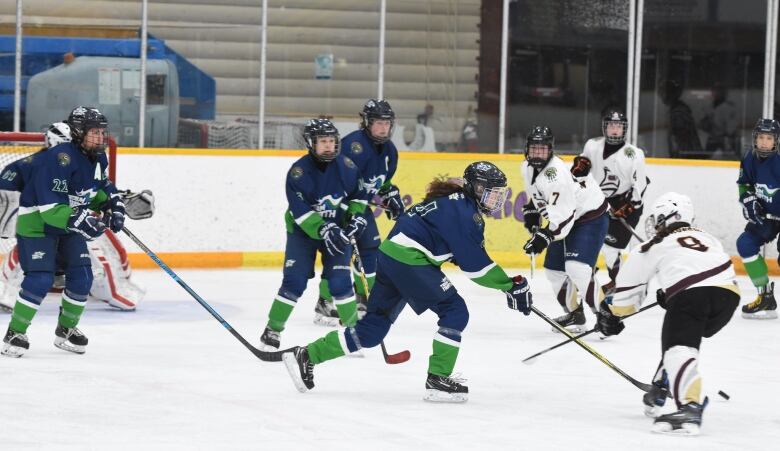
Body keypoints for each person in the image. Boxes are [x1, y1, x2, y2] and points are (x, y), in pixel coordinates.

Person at [281, 162, 532, 403]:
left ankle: (307, 355)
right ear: (472, 187)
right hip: (409, 259)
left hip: (392, 255)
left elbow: (439, 240)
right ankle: (438, 378)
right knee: (455, 311)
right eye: (488, 192)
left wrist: (500, 281)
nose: (494, 199)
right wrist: (511, 285)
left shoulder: (455, 203)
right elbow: (478, 268)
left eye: (497, 194)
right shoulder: (466, 214)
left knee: (371, 332)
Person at [596, 192, 739, 436]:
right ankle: (662, 385)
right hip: (729, 295)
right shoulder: (707, 237)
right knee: (682, 338)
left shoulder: (651, 245)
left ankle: (690, 406)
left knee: (678, 348)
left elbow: (627, 299)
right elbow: (697, 266)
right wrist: (670, 292)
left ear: (666, 217)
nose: (655, 224)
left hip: (693, 296)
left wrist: (610, 315)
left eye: (657, 219)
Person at [2, 106, 125, 357]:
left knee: (82, 277)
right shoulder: (57, 158)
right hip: (37, 224)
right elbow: (49, 209)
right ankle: (15, 332)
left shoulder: (98, 157)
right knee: (40, 280)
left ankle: (67, 331)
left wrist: (111, 204)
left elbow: (97, 189)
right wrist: (80, 218)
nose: (100, 137)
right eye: (94, 132)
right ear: (79, 132)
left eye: (102, 132)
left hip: (68, 224)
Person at [0, 122, 153, 313]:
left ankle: (116, 284)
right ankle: (8, 289)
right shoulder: (35, 166)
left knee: (102, 239)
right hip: (45, 223)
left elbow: (91, 190)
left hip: (69, 223)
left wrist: (113, 201)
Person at [259, 118, 370, 351]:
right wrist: (323, 228)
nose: (328, 146)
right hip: (303, 234)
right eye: (323, 142)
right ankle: (273, 329)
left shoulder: (348, 167)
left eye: (331, 141)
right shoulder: (298, 173)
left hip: (337, 233)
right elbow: (299, 212)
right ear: (311, 143)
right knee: (294, 282)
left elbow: (358, 197)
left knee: (341, 283)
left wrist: (357, 217)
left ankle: (353, 333)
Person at [313, 99, 404, 327]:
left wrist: (389, 194)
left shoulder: (390, 151)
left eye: (386, 123)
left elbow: (382, 181)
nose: (383, 128)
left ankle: (365, 299)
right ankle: (325, 300)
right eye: (378, 123)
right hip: (340, 206)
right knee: (339, 255)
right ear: (366, 122)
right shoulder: (352, 145)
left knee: (371, 249)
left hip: (360, 207)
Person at [521, 126, 609, 333]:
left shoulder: (556, 175)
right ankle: (575, 315)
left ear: (550, 150)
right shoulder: (526, 167)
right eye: (534, 149)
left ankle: (606, 315)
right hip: (566, 217)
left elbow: (565, 218)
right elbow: (536, 194)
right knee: (554, 271)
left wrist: (545, 236)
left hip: (589, 217)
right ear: (527, 149)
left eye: (542, 149)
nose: (537, 154)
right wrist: (532, 211)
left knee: (576, 268)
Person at [572, 108, 650, 293]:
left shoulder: (634, 153)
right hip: (600, 203)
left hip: (626, 204)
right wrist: (579, 169)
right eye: (611, 125)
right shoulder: (592, 146)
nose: (615, 129)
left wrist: (628, 206)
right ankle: (586, 272)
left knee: (610, 247)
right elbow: (580, 172)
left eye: (618, 126)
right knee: (587, 238)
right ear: (605, 128)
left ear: (624, 129)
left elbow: (641, 185)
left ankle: (618, 282)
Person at [735, 118, 780, 319]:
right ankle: (765, 297)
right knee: (745, 244)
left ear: (776, 141)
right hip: (767, 217)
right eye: (761, 137)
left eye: (768, 138)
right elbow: (744, 184)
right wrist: (749, 200)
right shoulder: (749, 158)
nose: (764, 142)